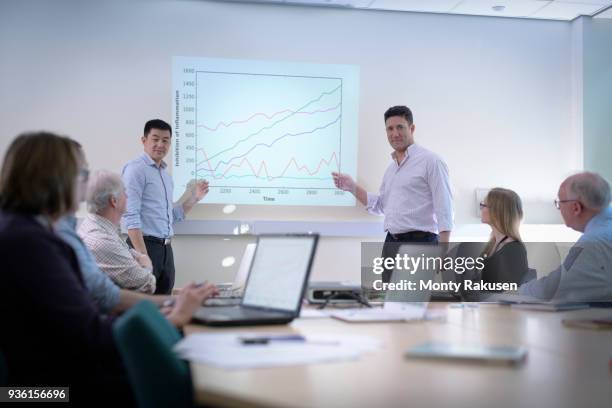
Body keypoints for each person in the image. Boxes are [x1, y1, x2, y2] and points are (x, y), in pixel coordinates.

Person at [0, 132, 214, 400]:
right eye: (82, 172)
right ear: (57, 178)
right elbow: (91, 337)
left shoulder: (23, 231)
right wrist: (175, 319)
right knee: (186, 383)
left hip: (53, 371)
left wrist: (171, 309)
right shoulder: (29, 243)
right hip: (46, 390)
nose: (86, 181)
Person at [332, 106, 453, 282]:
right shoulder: (391, 169)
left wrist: (443, 249)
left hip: (420, 243)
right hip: (391, 243)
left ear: (411, 128)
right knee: (390, 304)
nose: (394, 133)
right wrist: (352, 187)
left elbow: (445, 207)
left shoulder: (431, 161)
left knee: (414, 304)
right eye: (390, 129)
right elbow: (381, 206)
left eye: (400, 127)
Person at [122, 119, 208, 294]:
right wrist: (144, 258)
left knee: (165, 307)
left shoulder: (165, 176)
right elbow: (131, 217)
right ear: (144, 140)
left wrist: (195, 198)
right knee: (144, 308)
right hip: (144, 247)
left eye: (165, 140)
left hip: (166, 250)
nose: (160, 144)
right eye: (155, 139)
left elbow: (172, 216)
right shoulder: (135, 170)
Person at [519, 172, 612, 301]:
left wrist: (517, 290)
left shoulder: (592, 243)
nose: (559, 209)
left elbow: (553, 290)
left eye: (559, 202)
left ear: (576, 207)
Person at [80, 170, 156, 293]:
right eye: (124, 192)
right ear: (114, 201)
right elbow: (147, 284)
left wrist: (139, 256)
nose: (127, 196)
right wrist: (147, 265)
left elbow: (123, 248)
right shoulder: (102, 241)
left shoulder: (95, 223)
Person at [457, 188, 529, 300]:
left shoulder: (514, 250)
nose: (481, 208)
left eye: (484, 205)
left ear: (497, 212)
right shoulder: (493, 244)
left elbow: (508, 294)